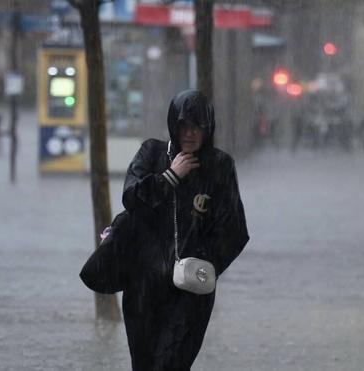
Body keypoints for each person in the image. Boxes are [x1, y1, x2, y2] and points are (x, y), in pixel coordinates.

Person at [82, 89, 249, 370]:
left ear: (208, 128)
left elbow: (234, 231)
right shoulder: (152, 153)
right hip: (144, 286)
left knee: (172, 364)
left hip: (191, 291)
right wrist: (170, 177)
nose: (190, 134)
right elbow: (132, 198)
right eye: (184, 125)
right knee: (145, 365)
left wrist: (204, 265)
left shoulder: (220, 167)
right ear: (174, 124)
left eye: (198, 127)